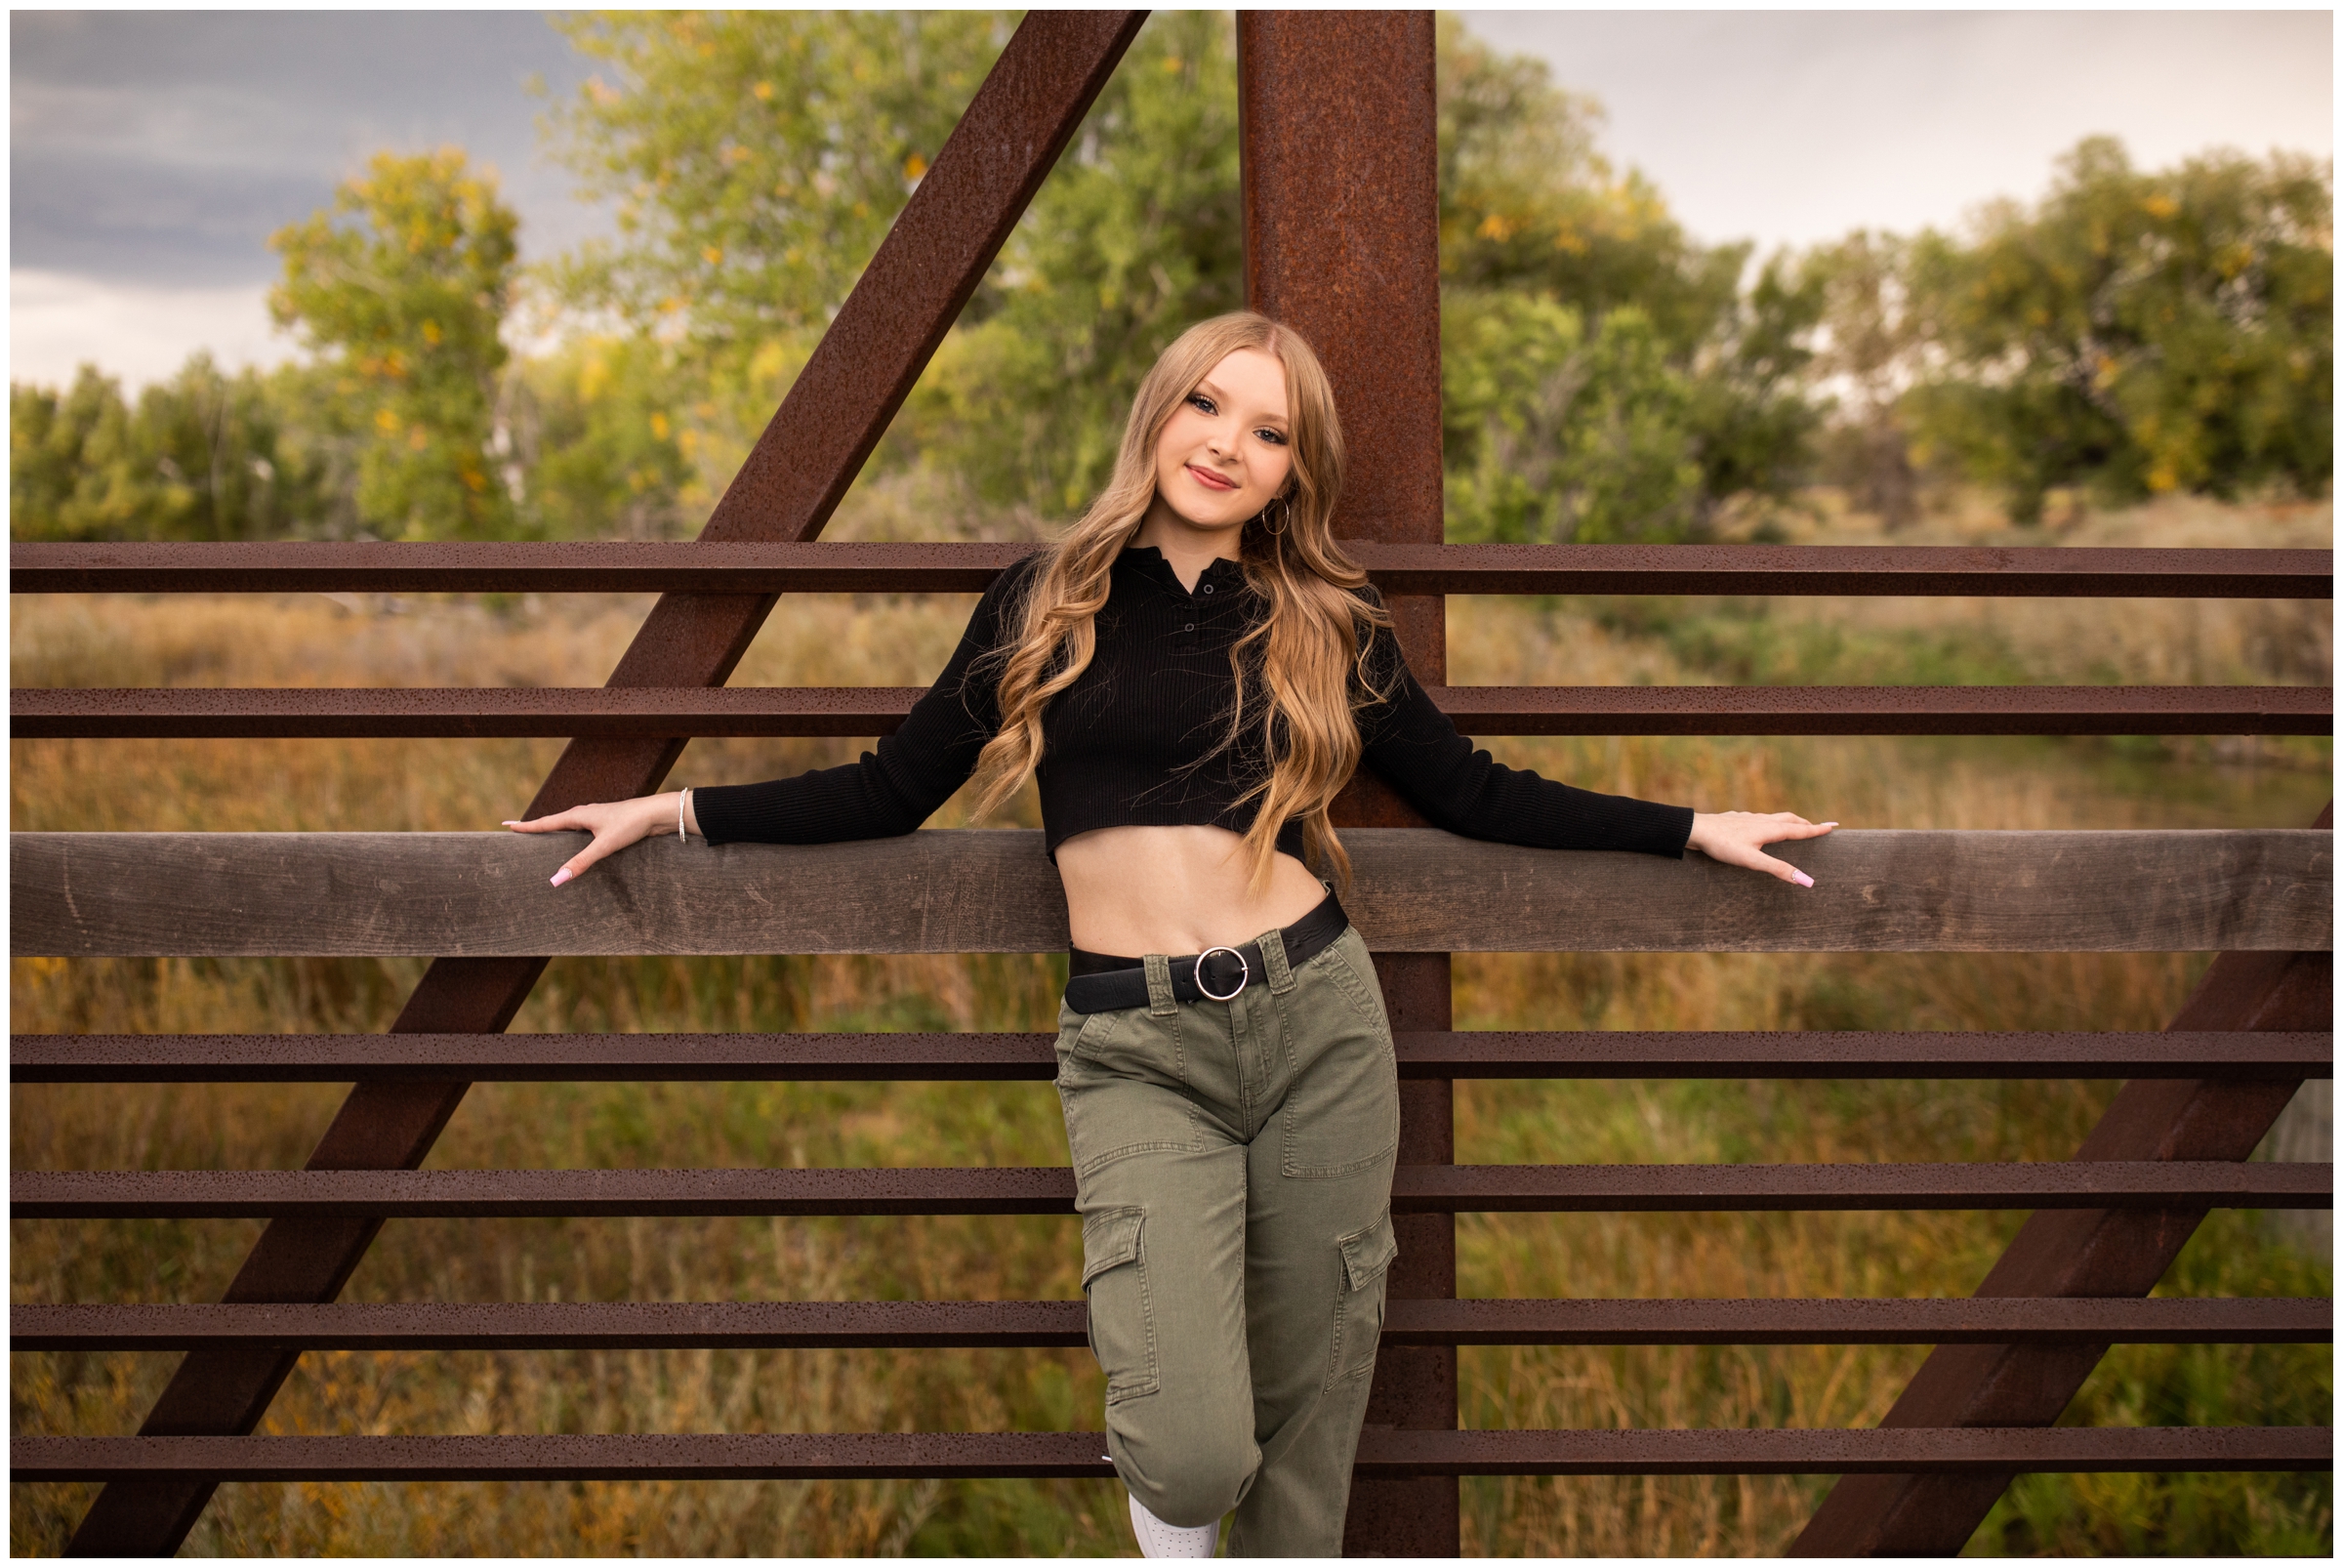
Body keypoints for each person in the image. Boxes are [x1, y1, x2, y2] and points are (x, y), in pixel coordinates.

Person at [507, 311, 1832, 1556]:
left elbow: (1476, 789)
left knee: (1308, 1442)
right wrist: (676, 807)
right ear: (1158, 413)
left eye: (1269, 433)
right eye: (1208, 404)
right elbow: (888, 784)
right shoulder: (1048, 597)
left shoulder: (1327, 616)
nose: (1227, 443)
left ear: (1291, 475)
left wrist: (1690, 827)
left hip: (1319, 1023)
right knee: (1193, 1448)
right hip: (1139, 1047)